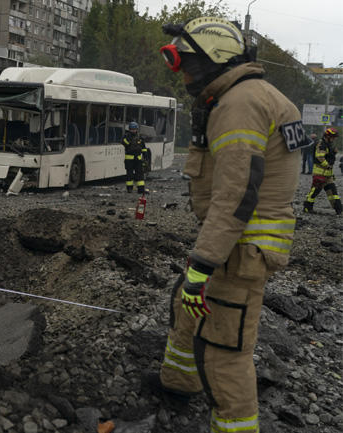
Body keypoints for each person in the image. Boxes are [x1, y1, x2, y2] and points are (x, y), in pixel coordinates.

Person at [142, 17, 304, 433]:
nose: (183, 75)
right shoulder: (244, 96)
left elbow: (236, 196)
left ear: (215, 58)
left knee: (223, 347)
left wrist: (202, 264)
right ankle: (178, 385)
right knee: (187, 306)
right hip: (233, 245)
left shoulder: (240, 105)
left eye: (188, 64)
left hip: (241, 250)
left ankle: (234, 425)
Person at [302, 128, 341, 215]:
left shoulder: (327, 145)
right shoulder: (321, 144)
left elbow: (328, 157)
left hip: (327, 175)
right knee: (314, 191)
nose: (333, 139)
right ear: (328, 136)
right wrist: (327, 166)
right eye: (333, 137)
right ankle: (307, 208)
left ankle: (339, 210)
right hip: (320, 174)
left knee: (333, 192)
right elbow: (320, 157)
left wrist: (334, 153)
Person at [122, 121, 148, 194]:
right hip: (129, 160)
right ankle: (129, 189)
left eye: (134, 129)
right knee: (129, 175)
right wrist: (130, 136)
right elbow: (125, 143)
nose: (133, 131)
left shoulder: (140, 137)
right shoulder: (126, 136)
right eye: (132, 129)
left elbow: (143, 148)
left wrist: (145, 156)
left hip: (138, 159)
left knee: (139, 175)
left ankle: (141, 189)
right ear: (129, 129)